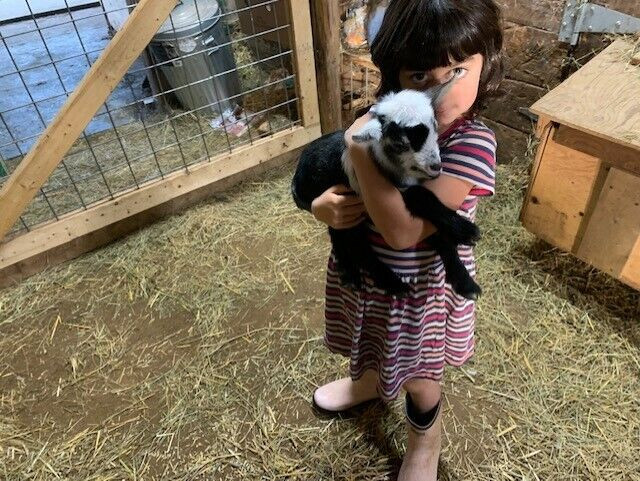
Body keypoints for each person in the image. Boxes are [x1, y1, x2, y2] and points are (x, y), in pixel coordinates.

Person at [309, 0, 503, 479]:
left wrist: (361, 147)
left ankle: (425, 442)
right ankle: (371, 382)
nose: (440, 89)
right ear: (394, 71)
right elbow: (332, 178)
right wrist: (320, 207)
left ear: (486, 62)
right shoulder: (385, 114)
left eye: (457, 69)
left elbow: (403, 231)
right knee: (371, 338)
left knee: (420, 375)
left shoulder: (472, 143)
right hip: (369, 275)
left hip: (420, 292)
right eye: (420, 74)